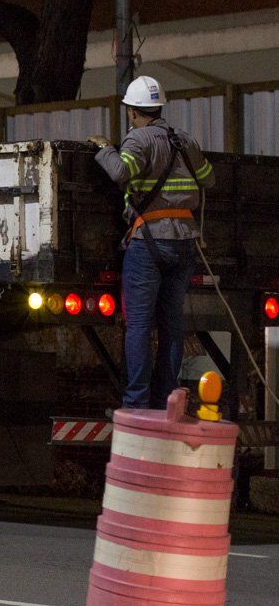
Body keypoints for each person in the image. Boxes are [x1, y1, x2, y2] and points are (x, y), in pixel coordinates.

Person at [89, 75, 214, 410]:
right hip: (185, 242)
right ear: (159, 108)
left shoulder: (138, 139)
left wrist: (104, 148)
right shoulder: (185, 140)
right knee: (172, 326)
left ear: (132, 111)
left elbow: (120, 172)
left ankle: (136, 404)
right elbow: (209, 178)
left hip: (148, 242)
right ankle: (166, 401)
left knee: (140, 327)